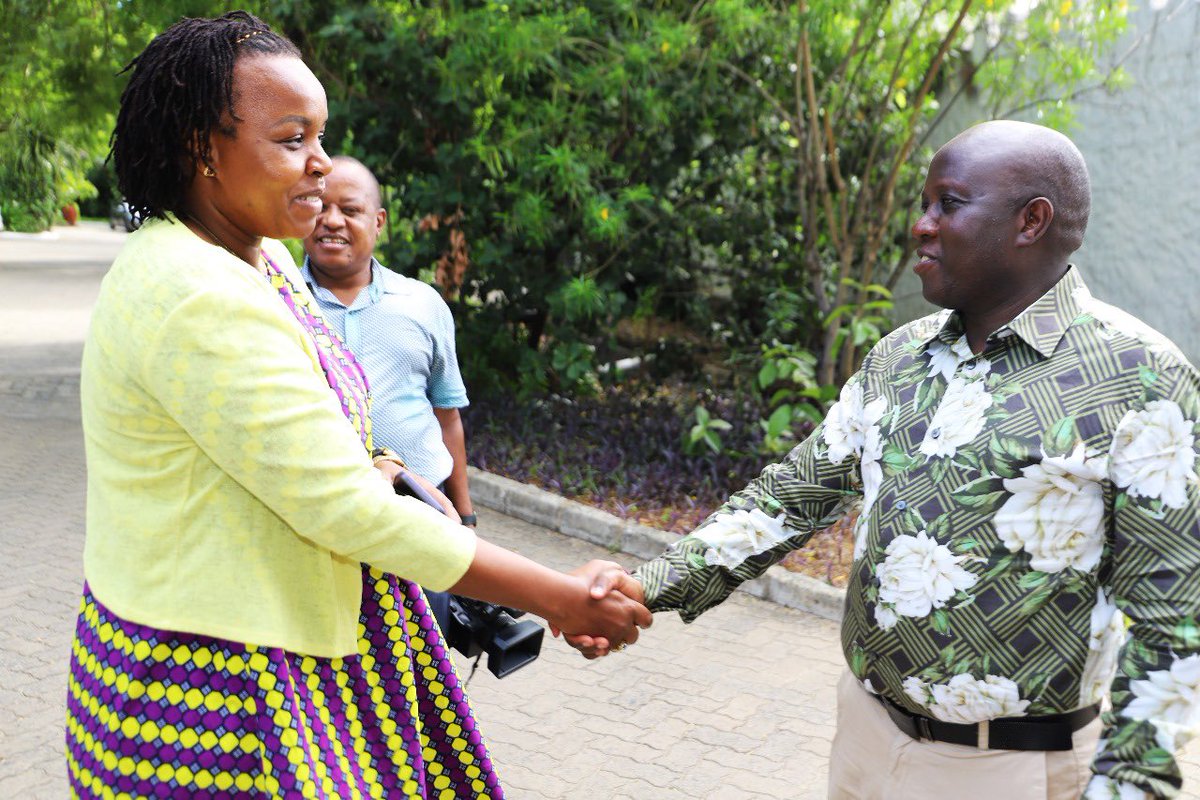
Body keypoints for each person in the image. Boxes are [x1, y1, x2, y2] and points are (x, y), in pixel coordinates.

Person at [65, 12, 649, 799]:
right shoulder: (195, 293)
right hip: (214, 690)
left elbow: (290, 434)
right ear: (204, 147)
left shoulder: (253, 256)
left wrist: (372, 461)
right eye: (292, 139)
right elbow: (341, 511)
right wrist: (556, 595)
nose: (321, 164)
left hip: (262, 647)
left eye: (322, 135)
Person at [566, 120, 1200, 800]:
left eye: (947, 204)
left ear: (1031, 221)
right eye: (923, 204)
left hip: (1009, 772)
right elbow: (790, 497)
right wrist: (645, 586)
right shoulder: (900, 357)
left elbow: (1173, 619)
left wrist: (1131, 786)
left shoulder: (1141, 380)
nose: (921, 226)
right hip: (867, 741)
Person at [300, 156, 476, 525]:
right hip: (322, 513)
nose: (332, 220)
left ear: (377, 222)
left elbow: (447, 415)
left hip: (425, 507)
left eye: (349, 210)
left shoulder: (422, 304)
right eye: (320, 206)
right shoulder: (280, 301)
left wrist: (466, 515)